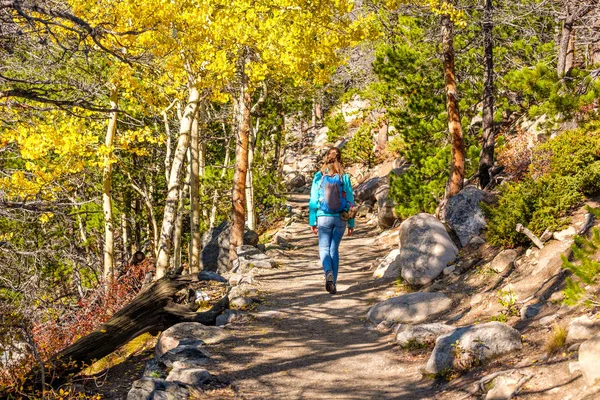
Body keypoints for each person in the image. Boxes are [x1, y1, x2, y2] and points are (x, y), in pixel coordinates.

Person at [308, 147, 355, 294]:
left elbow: (314, 200)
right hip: (340, 217)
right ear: (340, 159)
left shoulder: (319, 176)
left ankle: (327, 271)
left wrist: (312, 220)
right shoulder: (344, 176)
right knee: (334, 249)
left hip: (323, 217)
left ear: (327, 158)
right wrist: (351, 222)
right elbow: (350, 200)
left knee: (323, 249)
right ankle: (333, 281)